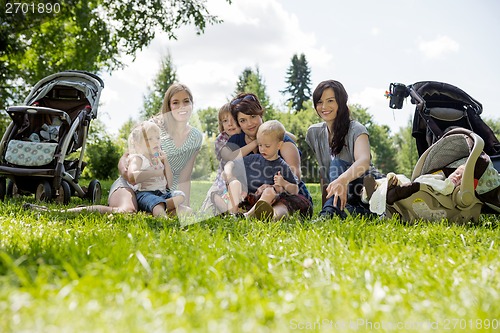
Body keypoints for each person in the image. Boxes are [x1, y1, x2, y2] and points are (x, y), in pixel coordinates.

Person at [24, 83, 202, 215]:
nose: (181, 107)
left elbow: (185, 176)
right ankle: (56, 213)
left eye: (186, 101)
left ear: (192, 104)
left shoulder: (195, 136)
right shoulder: (154, 126)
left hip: (158, 192)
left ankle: (152, 207)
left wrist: (180, 201)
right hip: (133, 184)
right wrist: (125, 169)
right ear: (168, 106)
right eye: (175, 103)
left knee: (181, 212)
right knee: (126, 211)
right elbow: (128, 158)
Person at [221, 93, 312, 219]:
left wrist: (273, 186)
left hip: (285, 194)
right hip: (251, 196)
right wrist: (256, 142)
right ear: (239, 124)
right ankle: (244, 213)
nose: (249, 123)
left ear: (261, 114)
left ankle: (270, 215)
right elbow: (228, 164)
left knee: (277, 203)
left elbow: (295, 176)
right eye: (243, 120)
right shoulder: (236, 141)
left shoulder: (284, 142)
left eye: (253, 116)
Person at [306, 80, 382, 220]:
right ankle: (364, 213)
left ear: (340, 102)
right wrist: (326, 204)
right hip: (343, 194)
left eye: (330, 101)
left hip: (365, 184)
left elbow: (364, 161)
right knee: (346, 209)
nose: (324, 106)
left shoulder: (356, 129)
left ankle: (330, 214)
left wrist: (342, 179)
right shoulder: (314, 133)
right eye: (319, 102)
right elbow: (324, 173)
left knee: (337, 164)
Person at [126, 121, 185, 217]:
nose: (156, 141)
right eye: (150, 139)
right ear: (138, 144)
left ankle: (152, 211)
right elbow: (132, 176)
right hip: (145, 194)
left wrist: (166, 162)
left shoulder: (159, 159)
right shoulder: (139, 158)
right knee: (158, 205)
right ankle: (160, 213)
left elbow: (169, 184)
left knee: (181, 197)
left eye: (157, 138)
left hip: (162, 194)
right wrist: (155, 173)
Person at [199, 103, 241, 214]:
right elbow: (230, 156)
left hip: (239, 179)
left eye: (233, 120)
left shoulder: (245, 136)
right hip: (223, 179)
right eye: (225, 121)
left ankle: (232, 210)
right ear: (221, 124)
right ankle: (223, 209)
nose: (230, 124)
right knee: (213, 199)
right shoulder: (221, 139)